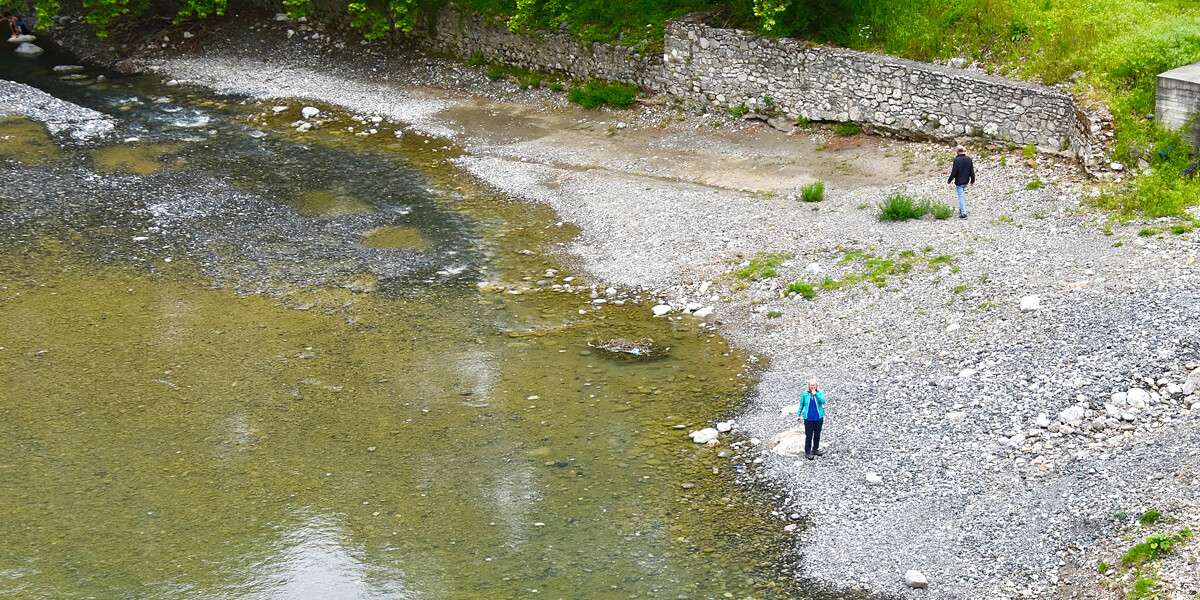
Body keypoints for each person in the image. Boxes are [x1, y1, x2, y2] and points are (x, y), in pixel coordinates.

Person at [795, 379, 826, 460]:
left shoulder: (819, 393)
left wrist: (816, 395)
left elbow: (823, 401)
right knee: (809, 435)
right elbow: (801, 404)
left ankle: (815, 449)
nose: (812, 387)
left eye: (814, 385)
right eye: (811, 385)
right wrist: (798, 415)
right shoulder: (805, 394)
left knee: (817, 434)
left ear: (816, 386)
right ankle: (807, 452)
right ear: (809, 386)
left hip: (818, 417)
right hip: (808, 418)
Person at [947, 144, 975, 219]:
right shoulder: (969, 159)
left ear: (957, 151)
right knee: (962, 195)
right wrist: (972, 180)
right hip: (966, 180)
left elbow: (954, 172)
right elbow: (971, 171)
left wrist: (949, 180)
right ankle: (962, 209)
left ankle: (964, 213)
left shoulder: (956, 160)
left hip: (959, 181)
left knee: (961, 196)